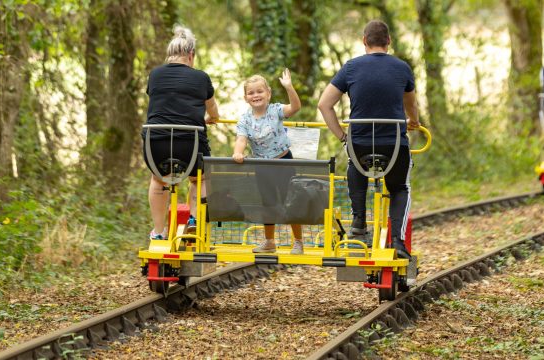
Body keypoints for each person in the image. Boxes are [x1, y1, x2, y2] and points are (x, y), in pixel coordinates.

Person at [317, 19, 420, 259]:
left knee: (356, 163)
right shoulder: (402, 67)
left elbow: (324, 104)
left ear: (364, 41)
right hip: (393, 143)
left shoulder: (351, 67)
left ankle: (359, 223)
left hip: (360, 142)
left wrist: (343, 137)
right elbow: (411, 104)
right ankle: (397, 242)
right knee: (399, 187)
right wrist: (413, 121)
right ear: (389, 42)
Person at [143, 26, 220, 241]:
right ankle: (194, 220)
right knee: (201, 177)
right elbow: (212, 109)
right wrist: (211, 118)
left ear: (170, 54)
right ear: (191, 54)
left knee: (159, 180)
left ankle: (159, 232)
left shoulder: (155, 74)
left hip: (154, 142)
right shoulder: (201, 78)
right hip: (190, 143)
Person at [232, 69, 304, 254]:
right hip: (262, 166)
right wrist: (238, 153)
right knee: (268, 203)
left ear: (268, 93)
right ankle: (270, 241)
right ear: (246, 97)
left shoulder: (275, 110)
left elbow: (295, 107)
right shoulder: (245, 119)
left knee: (291, 201)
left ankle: (298, 241)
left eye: (259, 91)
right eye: (251, 93)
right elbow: (241, 139)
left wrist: (289, 87)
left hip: (283, 162)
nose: (256, 95)